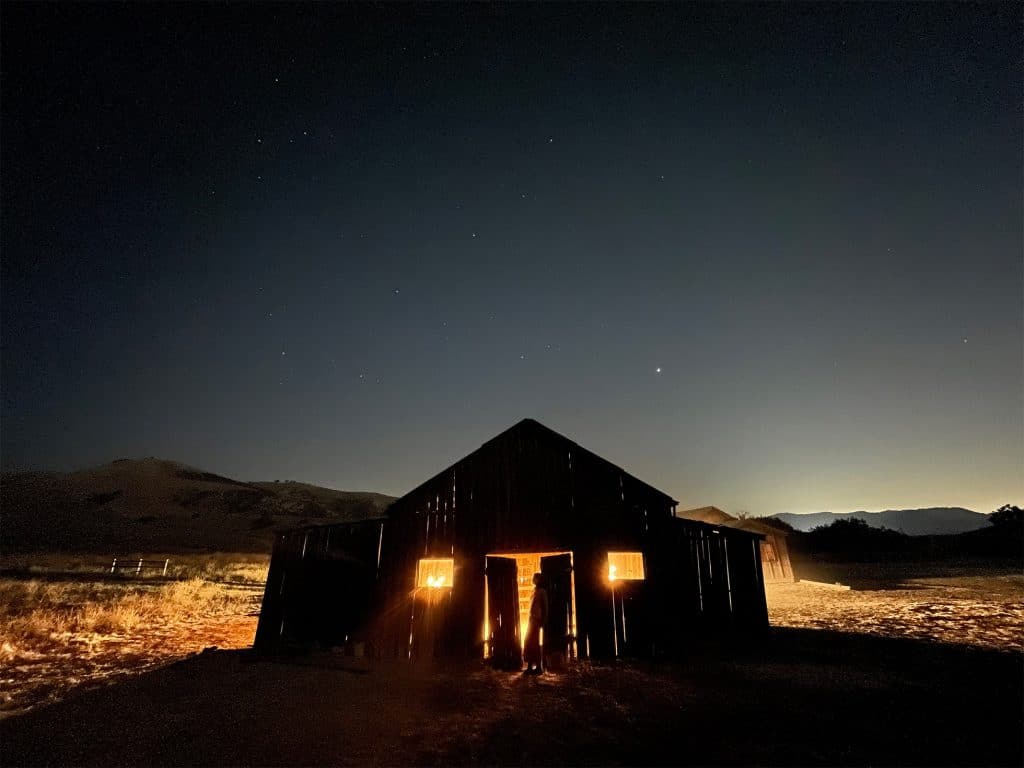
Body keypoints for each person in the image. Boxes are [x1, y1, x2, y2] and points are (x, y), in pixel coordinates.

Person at [522, 572, 548, 675]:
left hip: (536, 620)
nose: (533, 579)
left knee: (534, 644)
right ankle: (530, 666)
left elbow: (545, 607)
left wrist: (543, 621)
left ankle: (537, 667)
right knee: (529, 642)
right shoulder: (534, 591)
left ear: (539, 580)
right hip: (531, 619)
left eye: (535, 578)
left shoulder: (542, 592)